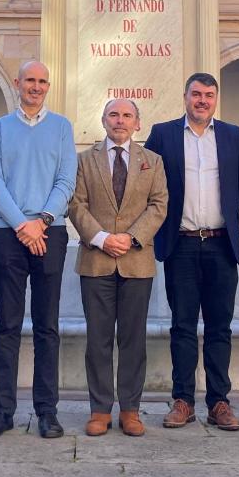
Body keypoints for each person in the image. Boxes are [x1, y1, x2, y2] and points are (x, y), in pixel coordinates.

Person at [144, 72, 239, 431]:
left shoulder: (232, 135)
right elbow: (148, 182)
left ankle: (219, 402)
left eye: (209, 95)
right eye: (196, 94)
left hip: (221, 243)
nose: (202, 100)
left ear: (215, 99)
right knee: (182, 325)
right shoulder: (163, 134)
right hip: (182, 243)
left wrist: (223, 211)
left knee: (220, 326)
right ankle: (183, 401)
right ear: (185, 97)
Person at [0, 60, 77, 439]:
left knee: (46, 327)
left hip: (49, 233)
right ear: (18, 83)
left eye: (42, 82)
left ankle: (47, 412)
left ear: (47, 86)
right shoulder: (1, 129)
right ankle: (3, 411)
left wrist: (43, 221)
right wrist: (22, 223)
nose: (36, 87)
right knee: (7, 325)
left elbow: (66, 178)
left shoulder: (62, 127)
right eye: (30, 81)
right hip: (9, 233)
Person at [67, 98, 168, 437]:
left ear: (138, 123)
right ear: (103, 120)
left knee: (133, 339)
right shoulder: (84, 161)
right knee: (97, 339)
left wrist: (131, 237)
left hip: (136, 261)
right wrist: (100, 237)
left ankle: (130, 409)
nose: (120, 120)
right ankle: (99, 409)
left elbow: (158, 205)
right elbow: (76, 204)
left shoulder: (152, 162)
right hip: (96, 261)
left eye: (127, 115)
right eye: (114, 114)